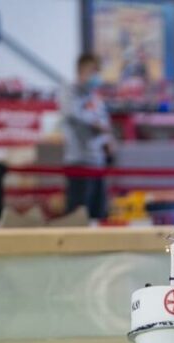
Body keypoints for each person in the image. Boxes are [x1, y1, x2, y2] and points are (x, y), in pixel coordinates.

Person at [60, 52, 114, 219]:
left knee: (99, 213)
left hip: (97, 163)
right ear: (81, 71)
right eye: (93, 71)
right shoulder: (69, 92)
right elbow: (73, 114)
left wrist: (108, 141)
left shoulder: (95, 98)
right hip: (78, 162)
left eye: (98, 72)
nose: (96, 76)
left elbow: (104, 123)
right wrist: (95, 124)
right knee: (78, 215)